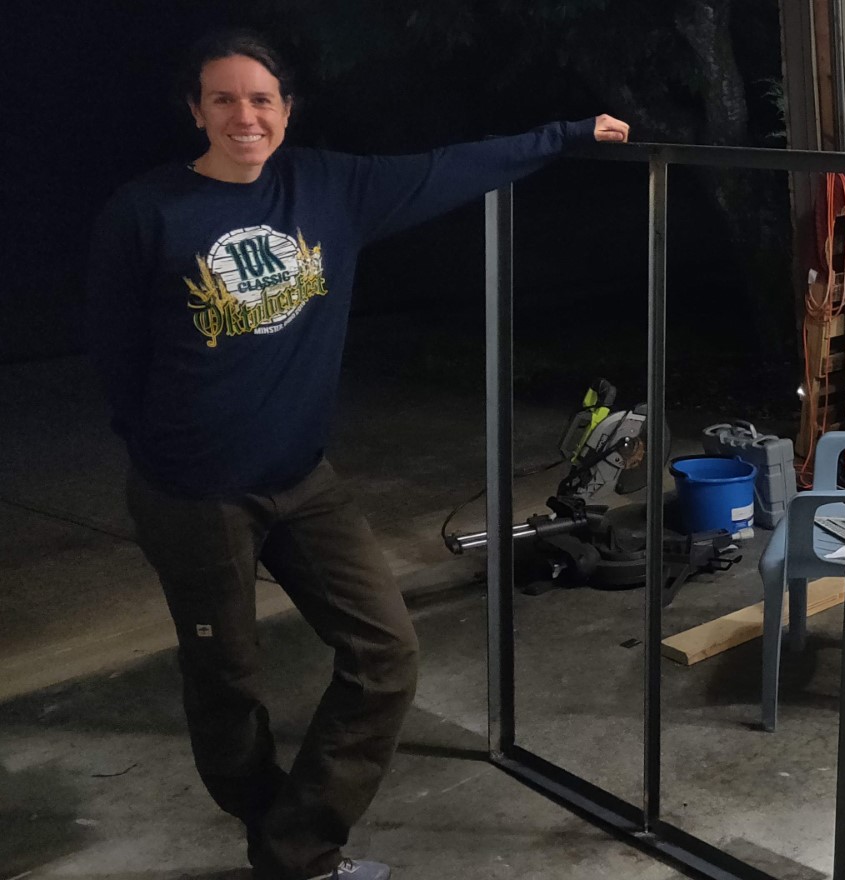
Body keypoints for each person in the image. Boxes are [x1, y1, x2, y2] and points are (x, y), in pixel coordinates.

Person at [84, 29, 630, 880]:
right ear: (195, 110)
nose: (244, 116)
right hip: (195, 496)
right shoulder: (147, 211)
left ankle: (294, 846)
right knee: (227, 681)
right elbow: (116, 353)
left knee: (386, 655)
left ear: (286, 108)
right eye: (223, 99)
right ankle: (281, 839)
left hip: (305, 481)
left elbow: (449, 167)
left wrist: (564, 135)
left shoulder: (328, 187)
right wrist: (164, 448)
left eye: (261, 99)